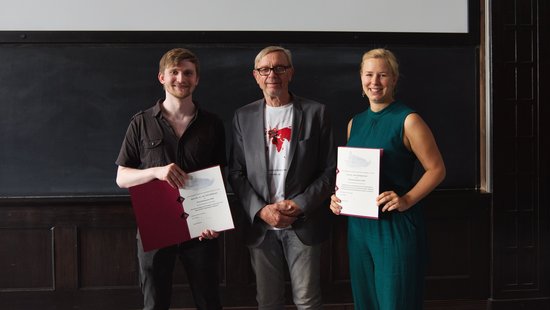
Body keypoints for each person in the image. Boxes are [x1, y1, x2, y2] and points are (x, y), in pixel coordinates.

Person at [329, 48, 446, 310]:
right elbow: (350, 175)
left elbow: (437, 169)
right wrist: (338, 198)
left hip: (395, 226)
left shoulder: (409, 120)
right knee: (366, 302)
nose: (375, 82)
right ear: (361, 78)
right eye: (369, 74)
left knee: (396, 303)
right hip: (359, 228)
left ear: (394, 79)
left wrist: (407, 199)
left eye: (382, 75)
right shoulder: (354, 123)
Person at [115, 48, 225, 310]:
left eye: (188, 73)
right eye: (174, 72)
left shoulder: (212, 124)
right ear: (161, 77)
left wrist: (215, 220)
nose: (181, 78)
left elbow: (220, 175)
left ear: (197, 79)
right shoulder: (140, 123)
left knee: (209, 302)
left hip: (201, 229)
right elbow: (121, 177)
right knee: (155, 304)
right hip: (157, 226)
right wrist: (156, 171)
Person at [228, 46, 336, 309]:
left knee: (307, 302)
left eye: (279, 67)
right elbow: (236, 172)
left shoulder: (316, 113)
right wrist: (261, 210)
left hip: (303, 223)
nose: (272, 74)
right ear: (256, 75)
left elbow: (330, 170)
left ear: (291, 73)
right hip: (262, 227)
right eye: (265, 69)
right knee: (268, 303)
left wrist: (301, 204)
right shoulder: (243, 117)